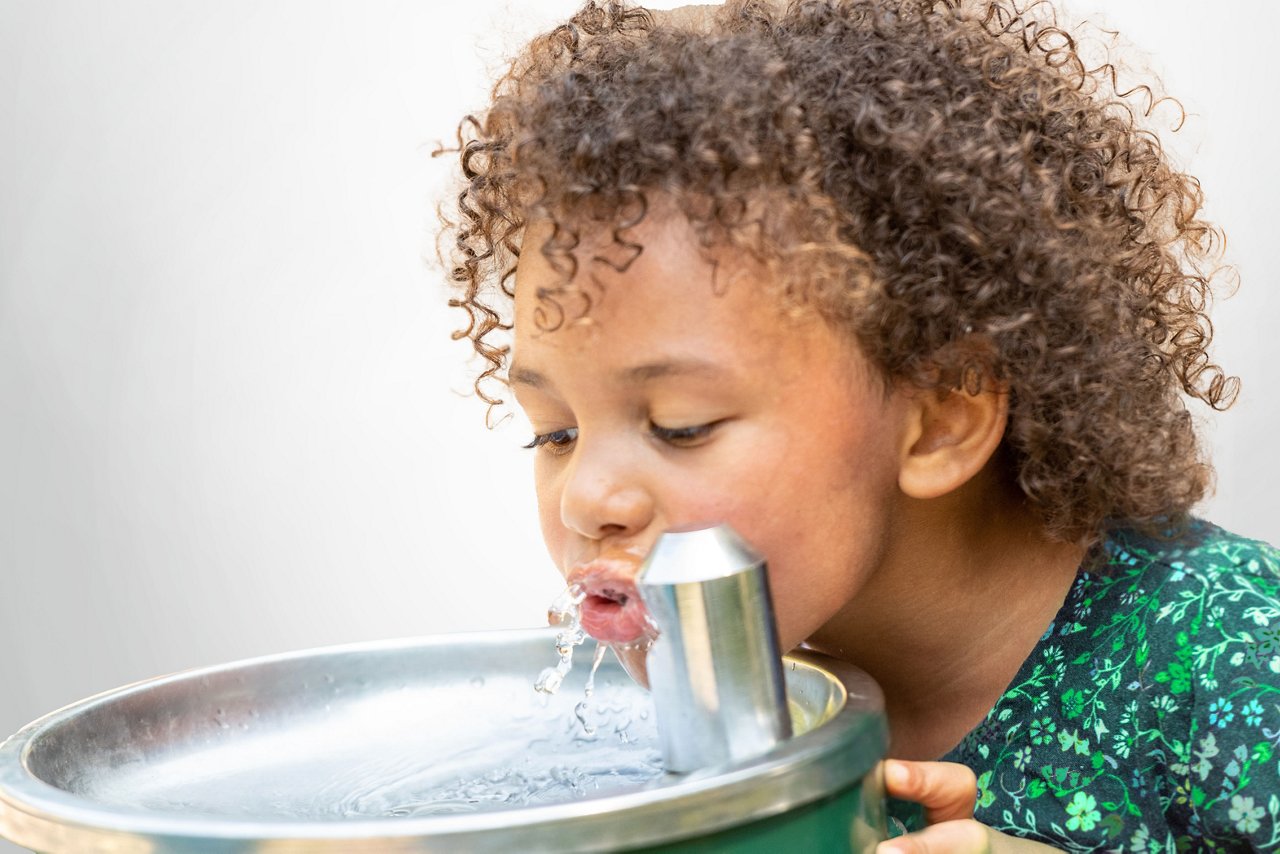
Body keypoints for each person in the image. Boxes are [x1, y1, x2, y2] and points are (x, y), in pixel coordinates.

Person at [439, 0, 1280, 849]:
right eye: (553, 433)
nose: (587, 498)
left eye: (681, 426)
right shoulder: (743, 678)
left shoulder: (1233, 657)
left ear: (940, 417)